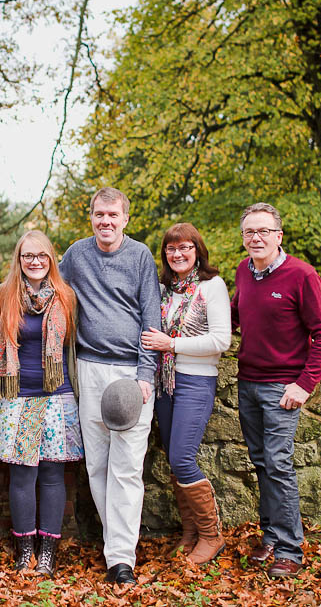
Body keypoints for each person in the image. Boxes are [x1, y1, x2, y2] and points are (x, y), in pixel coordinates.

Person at [58, 187, 161, 585]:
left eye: (113, 215)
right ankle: (115, 546)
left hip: (130, 373)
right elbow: (43, 287)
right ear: (91, 217)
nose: (106, 221)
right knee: (97, 465)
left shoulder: (140, 256)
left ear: (125, 219)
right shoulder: (76, 255)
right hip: (89, 369)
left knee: (128, 467)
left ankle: (121, 559)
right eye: (99, 214)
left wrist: (146, 374)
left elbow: (151, 316)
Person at [230, 203, 321, 578]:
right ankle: (272, 538)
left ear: (279, 235)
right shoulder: (243, 271)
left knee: (278, 464)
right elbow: (234, 316)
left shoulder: (302, 275)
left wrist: (304, 385)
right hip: (248, 382)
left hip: (282, 388)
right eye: (249, 232)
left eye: (263, 231)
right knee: (261, 463)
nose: (255, 238)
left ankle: (290, 550)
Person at [0, 230, 84, 577]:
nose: (35, 261)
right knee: (22, 475)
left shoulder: (66, 297)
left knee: (52, 475)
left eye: (41, 255)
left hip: (58, 395)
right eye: (28, 255)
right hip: (18, 397)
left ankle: (48, 552)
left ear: (51, 259)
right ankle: (25, 549)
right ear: (18, 259)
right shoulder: (3, 295)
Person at [140, 223, 231, 565]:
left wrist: (172, 344)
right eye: (171, 249)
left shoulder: (212, 286)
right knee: (173, 460)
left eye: (184, 248)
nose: (177, 254)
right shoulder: (163, 290)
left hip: (196, 381)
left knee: (182, 458)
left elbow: (221, 340)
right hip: (165, 383)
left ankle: (211, 535)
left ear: (197, 251)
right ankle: (190, 533)